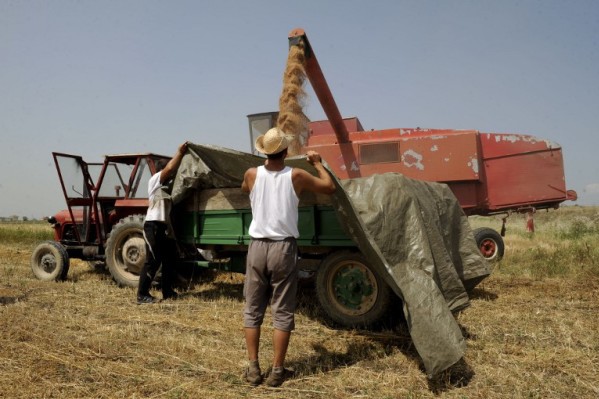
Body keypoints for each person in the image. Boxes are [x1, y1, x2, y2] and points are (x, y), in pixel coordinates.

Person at [241, 127, 336, 386]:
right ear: (285, 151)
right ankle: (277, 372)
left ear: (264, 152)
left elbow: (244, 188)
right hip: (283, 248)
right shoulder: (297, 175)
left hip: (257, 247)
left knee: (252, 309)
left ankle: (252, 369)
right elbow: (328, 187)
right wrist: (318, 163)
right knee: (281, 310)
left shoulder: (251, 174)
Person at [137, 141, 188, 304]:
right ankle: (142, 295)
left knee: (169, 260)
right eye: (168, 173)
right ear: (162, 171)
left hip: (164, 228)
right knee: (152, 261)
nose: (172, 176)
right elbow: (170, 169)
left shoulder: (169, 189)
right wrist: (180, 152)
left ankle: (167, 291)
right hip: (152, 226)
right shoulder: (155, 180)